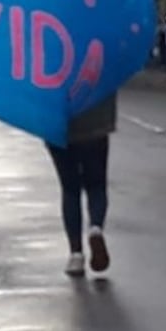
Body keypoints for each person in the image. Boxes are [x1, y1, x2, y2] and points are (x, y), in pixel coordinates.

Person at [48, 94, 115, 278]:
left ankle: (76, 255)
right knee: (96, 185)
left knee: (70, 189)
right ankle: (95, 227)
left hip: (58, 124)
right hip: (95, 123)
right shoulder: (99, 72)